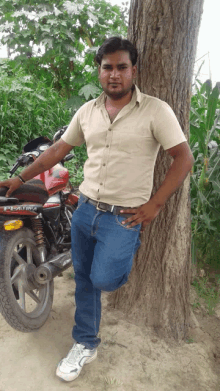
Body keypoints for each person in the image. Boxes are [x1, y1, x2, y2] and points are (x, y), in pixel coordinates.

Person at [0, 36, 194, 382]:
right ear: (100, 71)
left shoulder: (155, 110)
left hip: (124, 216)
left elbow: (183, 158)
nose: (114, 74)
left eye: (122, 67)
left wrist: (155, 205)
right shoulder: (88, 111)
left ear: (134, 70)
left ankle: (130, 243)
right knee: (85, 280)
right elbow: (58, 150)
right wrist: (20, 178)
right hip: (86, 208)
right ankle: (85, 342)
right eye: (108, 67)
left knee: (103, 277)